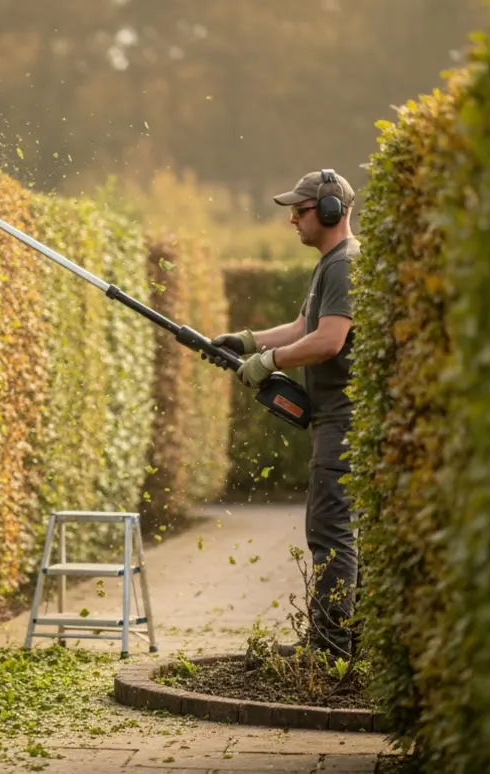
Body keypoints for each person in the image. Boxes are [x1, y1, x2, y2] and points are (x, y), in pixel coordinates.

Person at [209, 169, 360, 659]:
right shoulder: (328, 266)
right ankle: (333, 640)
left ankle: (332, 648)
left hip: (345, 420)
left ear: (332, 211)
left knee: (330, 529)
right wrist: (248, 341)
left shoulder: (345, 264)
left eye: (301, 210)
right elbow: (303, 325)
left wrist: (266, 363)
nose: (292, 219)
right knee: (327, 526)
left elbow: (329, 340)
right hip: (331, 418)